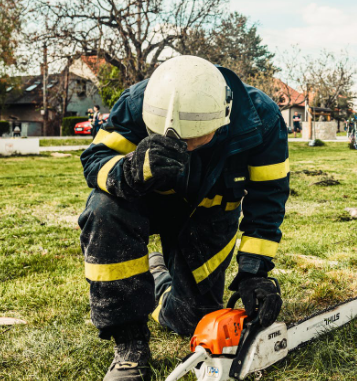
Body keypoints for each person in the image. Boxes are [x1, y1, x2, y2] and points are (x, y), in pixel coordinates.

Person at [78, 55, 289, 381]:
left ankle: (159, 277)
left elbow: (267, 201)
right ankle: (130, 344)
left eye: (192, 139)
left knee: (193, 321)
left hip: (210, 216)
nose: (180, 145)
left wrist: (254, 271)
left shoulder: (261, 119)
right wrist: (132, 169)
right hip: (145, 202)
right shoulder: (139, 102)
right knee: (103, 209)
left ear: (224, 116)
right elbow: (95, 161)